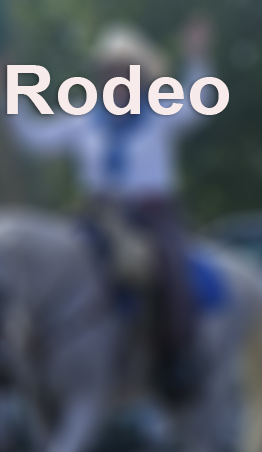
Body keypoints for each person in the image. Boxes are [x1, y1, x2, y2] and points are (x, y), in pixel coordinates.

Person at [11, 20, 212, 403]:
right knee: (50, 265)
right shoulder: (87, 119)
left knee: (169, 267)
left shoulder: (159, 113)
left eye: (125, 72)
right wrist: (12, 90)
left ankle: (177, 358)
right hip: (97, 215)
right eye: (109, 72)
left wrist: (196, 57)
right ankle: (36, 348)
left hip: (150, 214)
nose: (116, 79)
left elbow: (199, 105)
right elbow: (32, 138)